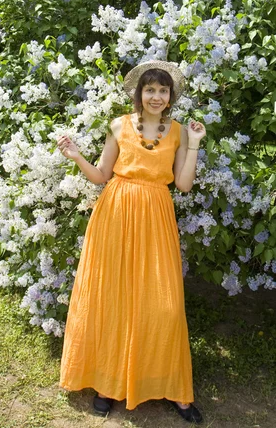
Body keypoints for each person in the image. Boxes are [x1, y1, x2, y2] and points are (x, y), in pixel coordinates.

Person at [57, 60, 206, 424]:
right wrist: (77, 156)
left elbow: (183, 185)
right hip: (116, 215)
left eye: (163, 90)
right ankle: (107, 385)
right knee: (113, 296)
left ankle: (174, 389)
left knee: (163, 305)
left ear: (171, 97)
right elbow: (101, 176)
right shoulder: (119, 126)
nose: (156, 96)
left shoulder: (178, 133)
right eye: (150, 90)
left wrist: (196, 144)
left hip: (156, 216)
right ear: (139, 94)